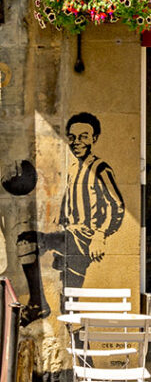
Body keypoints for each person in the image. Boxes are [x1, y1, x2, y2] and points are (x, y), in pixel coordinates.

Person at [18, 112, 125, 325]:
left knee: (68, 297)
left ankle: (42, 306)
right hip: (69, 235)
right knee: (66, 298)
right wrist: (60, 217)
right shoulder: (74, 167)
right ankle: (42, 305)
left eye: (84, 136)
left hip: (83, 239)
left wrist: (100, 235)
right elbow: (71, 196)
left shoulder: (100, 168)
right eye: (72, 137)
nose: (77, 142)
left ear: (94, 138)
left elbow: (117, 205)